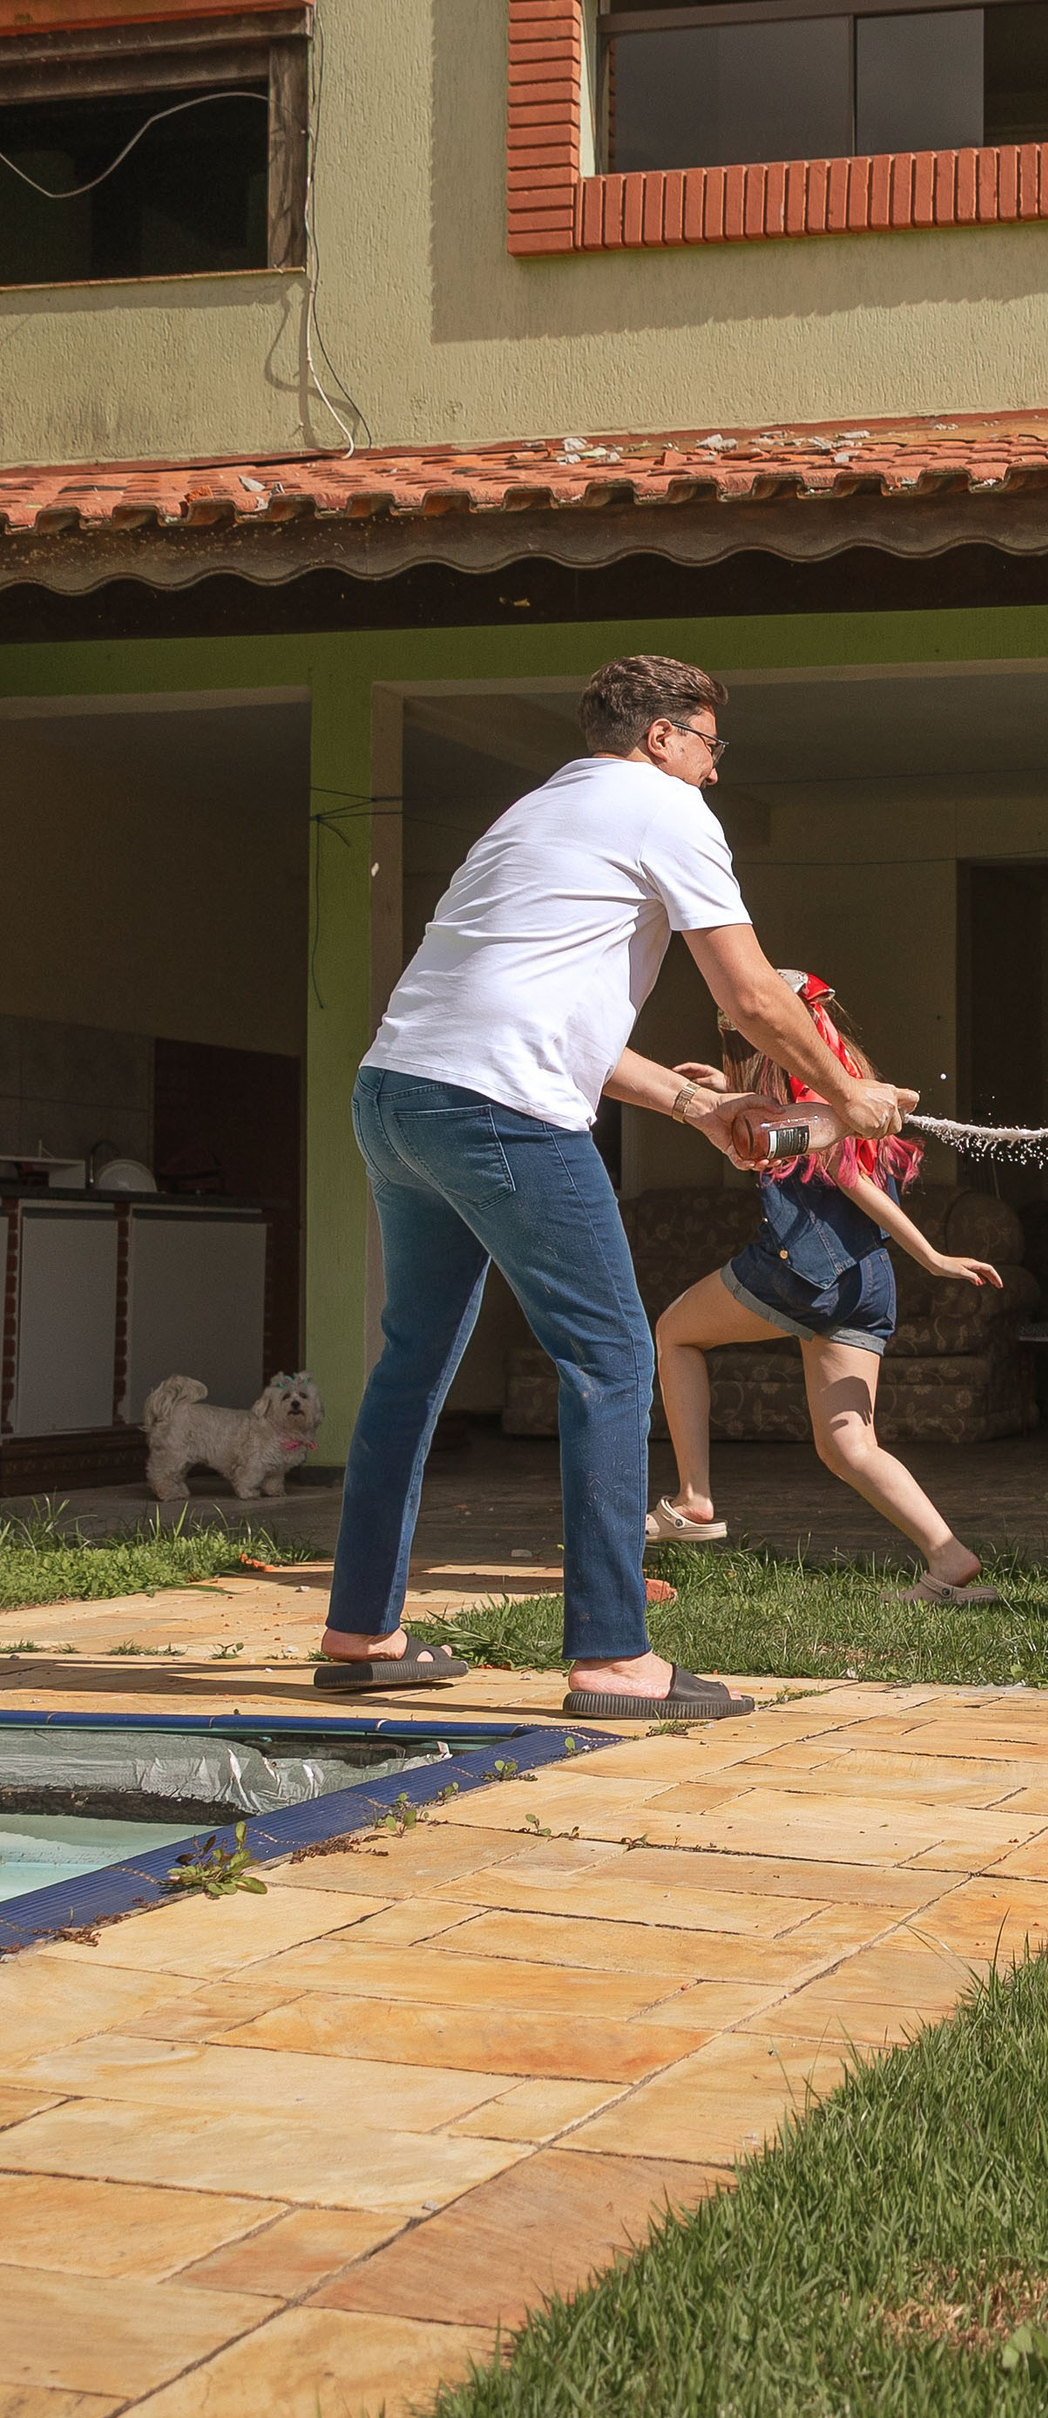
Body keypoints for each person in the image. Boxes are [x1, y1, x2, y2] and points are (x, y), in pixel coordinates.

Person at [316, 654, 915, 1718]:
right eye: (710, 747)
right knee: (611, 1354)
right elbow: (752, 993)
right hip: (498, 1110)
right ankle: (610, 1655)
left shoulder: (533, 814)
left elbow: (549, 1019)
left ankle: (361, 1634)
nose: (716, 774)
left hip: (396, 1098)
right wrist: (844, 1092)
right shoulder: (662, 806)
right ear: (663, 737)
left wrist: (703, 1108)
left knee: (410, 1364)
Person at [647, 971, 1005, 1603]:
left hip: (805, 1269)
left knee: (675, 1332)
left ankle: (695, 1498)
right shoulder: (836, 1089)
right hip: (864, 1279)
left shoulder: (821, 1103)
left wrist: (933, 1255)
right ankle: (948, 1559)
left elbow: (846, 1177)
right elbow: (796, 1121)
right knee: (848, 1445)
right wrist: (725, 1092)